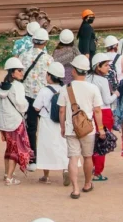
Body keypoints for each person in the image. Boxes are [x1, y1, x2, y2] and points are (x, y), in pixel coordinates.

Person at [57, 54, 104, 199]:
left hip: (72, 128)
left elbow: (62, 110)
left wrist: (63, 126)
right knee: (88, 157)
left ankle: (75, 188)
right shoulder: (93, 88)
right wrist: (101, 128)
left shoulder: (66, 88)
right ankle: (88, 183)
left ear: (74, 70)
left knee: (73, 158)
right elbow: (97, 110)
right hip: (87, 128)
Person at [20, 27, 51, 171]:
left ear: (33, 40)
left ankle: (32, 159)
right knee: (46, 128)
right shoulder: (48, 58)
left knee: (30, 128)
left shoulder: (23, 56)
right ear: (45, 42)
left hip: (27, 97)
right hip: (44, 98)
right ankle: (47, 159)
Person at [33, 61, 69, 186]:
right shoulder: (65, 89)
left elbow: (36, 107)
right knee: (63, 146)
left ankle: (46, 176)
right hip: (62, 122)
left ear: (50, 76)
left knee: (45, 147)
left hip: (47, 121)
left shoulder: (44, 90)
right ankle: (66, 169)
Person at [0, 57, 31, 185]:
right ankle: (10, 177)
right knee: (16, 150)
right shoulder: (18, 86)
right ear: (12, 72)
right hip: (16, 121)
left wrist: (0, 124)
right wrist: (26, 107)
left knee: (9, 148)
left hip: (5, 122)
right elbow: (22, 104)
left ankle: (6, 174)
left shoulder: (3, 86)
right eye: (19, 70)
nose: (22, 72)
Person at [88, 53, 116, 182]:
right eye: (105, 65)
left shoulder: (87, 78)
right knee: (101, 144)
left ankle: (92, 167)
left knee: (91, 143)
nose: (108, 68)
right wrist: (116, 94)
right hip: (103, 112)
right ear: (97, 66)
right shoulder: (103, 81)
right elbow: (107, 99)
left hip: (89, 113)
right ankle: (97, 172)